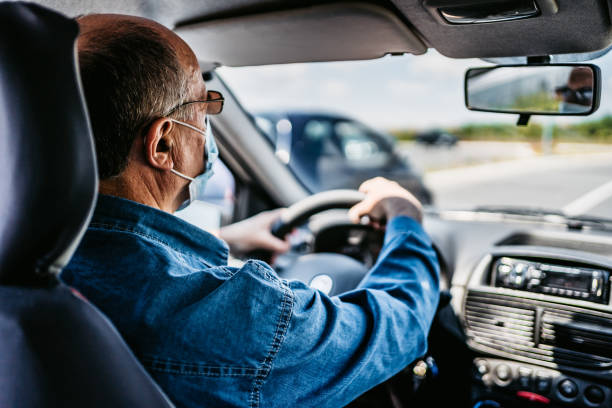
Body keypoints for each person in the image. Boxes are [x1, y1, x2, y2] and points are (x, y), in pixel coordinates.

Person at [61, 13, 440, 408]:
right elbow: (398, 328)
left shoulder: (26, 261)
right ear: (162, 145)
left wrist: (228, 239)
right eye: (204, 108)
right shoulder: (236, 316)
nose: (207, 128)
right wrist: (406, 219)